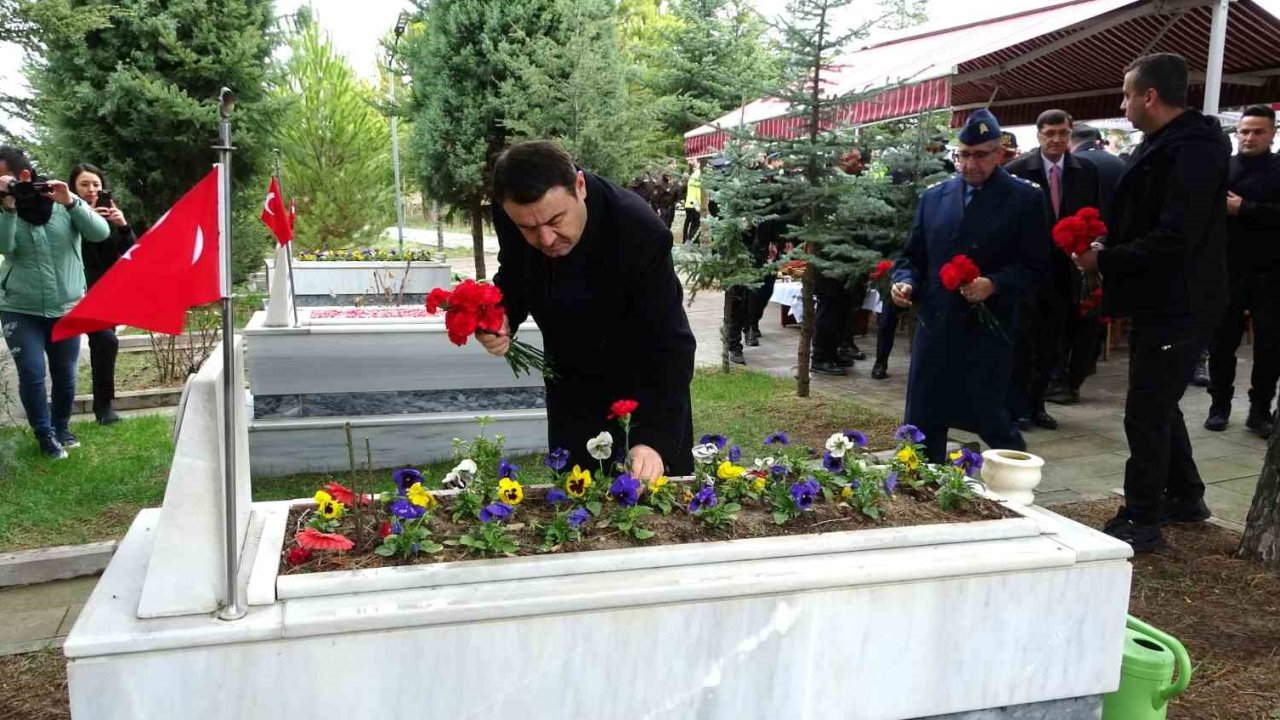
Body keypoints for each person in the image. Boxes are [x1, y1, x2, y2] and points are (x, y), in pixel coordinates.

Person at [1073, 53, 1230, 551]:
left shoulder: (1194, 150)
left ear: (1149, 96)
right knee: (1160, 404)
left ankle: (1142, 519)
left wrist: (1108, 260)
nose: (1122, 105)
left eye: (1125, 95)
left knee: (1146, 409)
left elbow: (1175, 236)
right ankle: (1186, 496)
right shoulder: (1165, 143)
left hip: (1180, 300)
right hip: (1158, 297)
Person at [484, 140, 696, 478]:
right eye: (528, 229)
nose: (546, 239)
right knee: (577, 500)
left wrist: (654, 438)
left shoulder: (639, 230)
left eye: (556, 220)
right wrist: (503, 313)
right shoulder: (514, 213)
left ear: (579, 186)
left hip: (641, 376)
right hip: (570, 379)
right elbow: (515, 273)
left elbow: (669, 341)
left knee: (656, 506)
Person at [890, 109, 1049, 463]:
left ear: (1000, 154)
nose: (969, 164)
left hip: (988, 329)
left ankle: (1015, 482)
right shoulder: (934, 197)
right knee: (924, 418)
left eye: (980, 155)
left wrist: (993, 283)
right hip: (937, 324)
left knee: (990, 416)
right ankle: (923, 485)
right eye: (962, 154)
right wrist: (904, 282)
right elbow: (911, 256)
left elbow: (1037, 266)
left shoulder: (1024, 199)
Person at [0, 146, 111, 459]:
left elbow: (100, 233)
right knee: (32, 371)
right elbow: (5, 246)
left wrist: (72, 202)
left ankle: (61, 427)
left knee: (64, 371)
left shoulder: (61, 201)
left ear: (23, 175)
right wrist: (7, 208)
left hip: (66, 305)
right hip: (20, 307)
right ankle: (45, 437)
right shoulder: (3, 206)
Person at [1005, 110, 1101, 426]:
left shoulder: (1085, 170)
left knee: (1052, 341)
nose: (1057, 139)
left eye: (1062, 132)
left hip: (1065, 271)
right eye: (1050, 133)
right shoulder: (1017, 170)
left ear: (1071, 133)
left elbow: (1096, 214)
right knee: (1022, 341)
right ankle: (1016, 407)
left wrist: (1094, 244)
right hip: (1027, 269)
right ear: (1039, 135)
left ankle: (1037, 405)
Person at [1204, 105, 1280, 437]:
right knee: (1221, 344)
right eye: (1244, 131)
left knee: (1270, 347)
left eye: (1257, 131)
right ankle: (1218, 405)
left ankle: (1259, 409)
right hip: (1226, 271)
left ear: (1273, 133)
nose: (1249, 137)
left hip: (1271, 272)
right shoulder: (1224, 167)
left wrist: (1245, 208)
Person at [69, 163, 136, 425]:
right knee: (75, 347)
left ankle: (104, 406)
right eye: (84, 184)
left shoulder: (111, 213)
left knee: (105, 343)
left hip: (105, 293)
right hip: (74, 289)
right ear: (73, 187)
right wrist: (88, 221)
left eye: (95, 184)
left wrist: (122, 225)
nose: (91, 190)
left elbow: (132, 251)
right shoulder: (65, 213)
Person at [681, 159, 703, 243]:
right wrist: (699, 204)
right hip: (695, 204)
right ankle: (691, 241)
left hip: (689, 203)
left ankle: (688, 240)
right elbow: (698, 191)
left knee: (692, 223)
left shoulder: (693, 175)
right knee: (697, 224)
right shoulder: (698, 175)